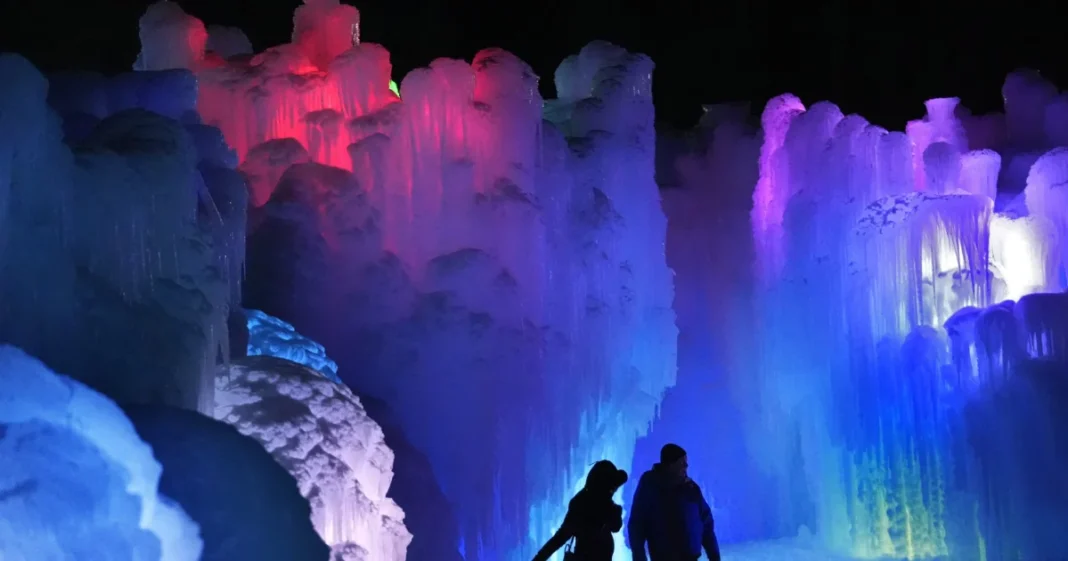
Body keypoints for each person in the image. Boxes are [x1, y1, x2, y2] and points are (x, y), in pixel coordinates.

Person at [627, 444, 721, 561]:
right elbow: (637, 523)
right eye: (682, 462)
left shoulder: (691, 488)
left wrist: (715, 556)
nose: (686, 465)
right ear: (670, 464)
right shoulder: (651, 485)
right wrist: (639, 555)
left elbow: (706, 523)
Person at [532, 460, 629, 561]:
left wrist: (539, 558)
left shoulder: (581, 501)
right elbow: (615, 526)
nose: (613, 490)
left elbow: (560, 537)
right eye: (612, 487)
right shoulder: (598, 504)